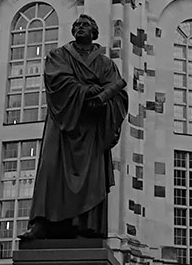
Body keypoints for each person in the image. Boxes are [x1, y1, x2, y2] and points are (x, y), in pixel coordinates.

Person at [20, 14, 127, 241]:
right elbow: (57, 81)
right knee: (50, 168)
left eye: (85, 25)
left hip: (91, 128)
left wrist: (104, 101)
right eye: (77, 25)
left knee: (91, 177)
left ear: (94, 32)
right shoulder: (59, 55)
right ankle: (42, 224)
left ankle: (85, 227)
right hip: (63, 122)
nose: (79, 27)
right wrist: (87, 91)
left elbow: (119, 96)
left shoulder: (106, 64)